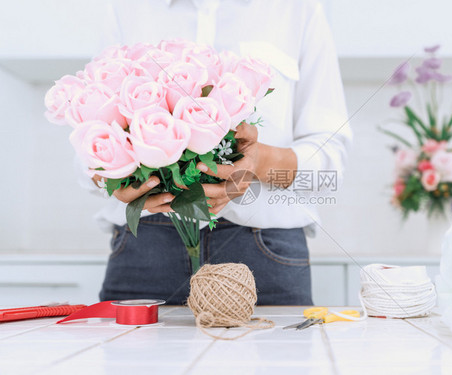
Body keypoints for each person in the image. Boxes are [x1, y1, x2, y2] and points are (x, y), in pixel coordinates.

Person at [87, 0, 352, 305]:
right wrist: (112, 178)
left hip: (264, 253)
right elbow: (89, 146)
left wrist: (260, 162)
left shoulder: (298, 9)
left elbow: (332, 161)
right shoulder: (126, 9)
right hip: (144, 247)